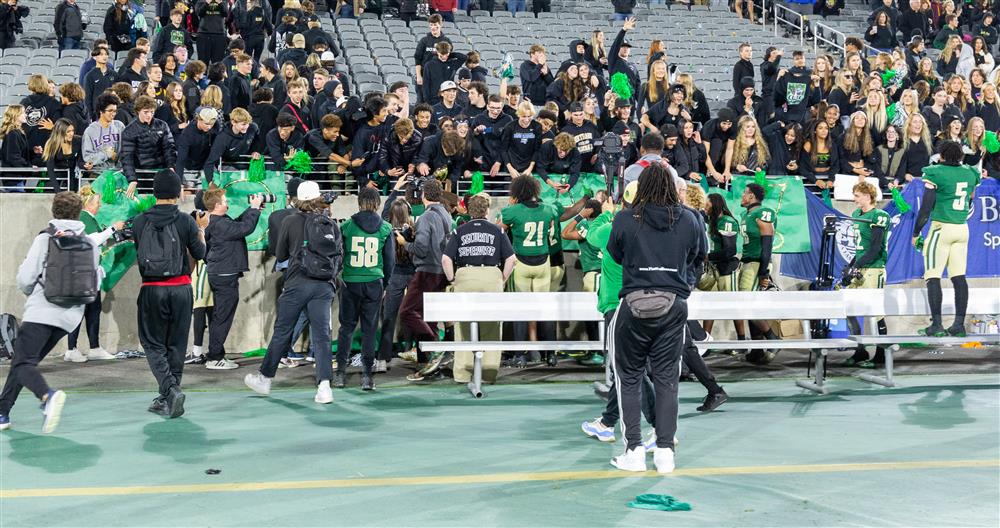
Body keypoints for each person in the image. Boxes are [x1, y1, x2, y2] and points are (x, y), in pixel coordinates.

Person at [606, 163, 705, 474]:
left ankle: (633, 450)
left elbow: (616, 253)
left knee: (629, 379)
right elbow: (698, 257)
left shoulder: (625, 218)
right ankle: (665, 451)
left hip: (633, 304)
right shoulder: (689, 218)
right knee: (666, 380)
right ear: (673, 187)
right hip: (674, 305)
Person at [0, 192, 121, 433]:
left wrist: (33, 295)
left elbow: (25, 279)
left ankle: (47, 396)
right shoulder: (89, 243)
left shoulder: (45, 239)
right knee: (25, 363)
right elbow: (95, 280)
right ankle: (2, 412)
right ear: (78, 213)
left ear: (54, 211)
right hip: (69, 318)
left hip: (41, 312)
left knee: (23, 362)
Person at [244, 180, 342, 404]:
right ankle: (325, 386)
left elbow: (280, 253)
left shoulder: (289, 221)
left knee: (283, 331)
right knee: (322, 335)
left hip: (297, 282)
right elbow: (339, 256)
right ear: (318, 197)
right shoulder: (329, 222)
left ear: (297, 199)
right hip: (324, 285)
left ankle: (265, 378)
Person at [132, 169, 207, 418]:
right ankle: (170, 393)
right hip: (181, 289)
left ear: (154, 192)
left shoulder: (140, 221)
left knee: (153, 344)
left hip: (152, 289)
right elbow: (200, 253)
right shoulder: (186, 220)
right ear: (177, 192)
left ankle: (169, 391)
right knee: (176, 344)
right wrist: (201, 230)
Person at [441, 193, 515, 384]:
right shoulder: (497, 231)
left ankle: (462, 374)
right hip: (491, 276)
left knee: (463, 327)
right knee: (491, 327)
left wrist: (452, 279)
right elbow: (511, 259)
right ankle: (489, 373)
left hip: (466, 276)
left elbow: (446, 259)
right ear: (487, 211)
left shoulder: (460, 231)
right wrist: (502, 278)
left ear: (468, 210)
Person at [912, 140, 980, 337]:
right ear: (961, 155)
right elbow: (971, 195)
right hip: (962, 228)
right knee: (959, 277)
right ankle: (959, 325)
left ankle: (937, 325)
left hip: (941, 228)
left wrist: (916, 233)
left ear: (941, 155)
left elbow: (925, 208)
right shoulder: (970, 172)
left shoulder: (935, 172)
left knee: (932, 276)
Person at [334, 188, 394, 390]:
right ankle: (367, 376)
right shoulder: (385, 228)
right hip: (374, 281)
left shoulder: (347, 226)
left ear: (359, 202)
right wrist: (384, 284)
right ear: (377, 203)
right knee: (369, 330)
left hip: (351, 281)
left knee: (346, 329)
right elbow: (390, 261)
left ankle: (340, 373)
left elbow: (339, 256)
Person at [202, 186, 263, 370]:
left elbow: (237, 224)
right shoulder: (219, 224)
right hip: (224, 275)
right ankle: (214, 358)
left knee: (221, 316)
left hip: (221, 273)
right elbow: (244, 228)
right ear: (218, 205)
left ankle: (216, 354)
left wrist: (252, 209)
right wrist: (253, 209)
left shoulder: (218, 221)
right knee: (222, 317)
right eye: (226, 201)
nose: (228, 204)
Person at [397, 179, 452, 381]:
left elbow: (420, 249)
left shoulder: (426, 217)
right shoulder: (446, 214)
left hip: (427, 271)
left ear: (422, 195)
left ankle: (435, 349)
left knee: (407, 311)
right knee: (427, 317)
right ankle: (428, 364)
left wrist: (405, 243)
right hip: (441, 272)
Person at [64, 186, 120, 363]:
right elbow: (92, 240)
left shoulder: (89, 218)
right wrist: (112, 229)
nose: (100, 205)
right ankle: (71, 349)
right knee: (80, 311)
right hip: (82, 273)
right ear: (88, 204)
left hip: (90, 273)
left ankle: (94, 347)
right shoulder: (84, 218)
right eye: (97, 202)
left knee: (93, 310)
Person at [841, 181, 891, 368]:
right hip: (861, 266)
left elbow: (875, 248)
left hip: (874, 267)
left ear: (868, 196)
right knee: (850, 309)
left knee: (876, 311)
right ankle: (860, 350)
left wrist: (856, 267)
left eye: (857, 195)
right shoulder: (856, 215)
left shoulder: (879, 216)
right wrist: (851, 266)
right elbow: (860, 249)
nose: (854, 199)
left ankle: (881, 354)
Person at [738, 182, 782, 364]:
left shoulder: (762, 212)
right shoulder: (745, 213)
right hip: (748, 261)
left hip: (756, 263)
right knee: (748, 304)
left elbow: (767, 243)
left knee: (746, 304)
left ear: (751, 196)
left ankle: (772, 338)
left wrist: (763, 271)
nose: (742, 196)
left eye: (745, 193)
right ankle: (757, 349)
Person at [120, 95, 176, 197]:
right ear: (138, 111)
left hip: (160, 173)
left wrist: (171, 166)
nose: (149, 115)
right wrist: (132, 179)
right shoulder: (129, 131)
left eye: (152, 112)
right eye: (146, 112)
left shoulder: (162, 125)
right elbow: (127, 157)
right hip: (141, 175)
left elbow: (169, 148)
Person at [413, 14, 451, 102]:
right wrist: (419, 76)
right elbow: (417, 59)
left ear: (440, 25)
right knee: (421, 102)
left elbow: (449, 59)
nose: (433, 27)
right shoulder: (424, 41)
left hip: (439, 78)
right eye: (431, 25)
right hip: (424, 76)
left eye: (435, 25)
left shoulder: (447, 41)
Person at [42, 118, 83, 192]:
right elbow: (50, 170)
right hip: (56, 181)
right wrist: (58, 191)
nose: (71, 134)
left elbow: (80, 161)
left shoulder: (78, 141)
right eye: (68, 131)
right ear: (60, 132)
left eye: (72, 130)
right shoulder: (51, 144)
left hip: (72, 181)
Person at [196, 0, 228, 65]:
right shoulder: (200, 1)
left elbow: (226, 13)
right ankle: (203, 75)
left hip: (219, 34)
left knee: (218, 63)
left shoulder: (223, 2)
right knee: (202, 62)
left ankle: (216, 75)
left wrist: (220, 3)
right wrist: (206, 3)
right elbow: (199, 13)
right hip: (203, 34)